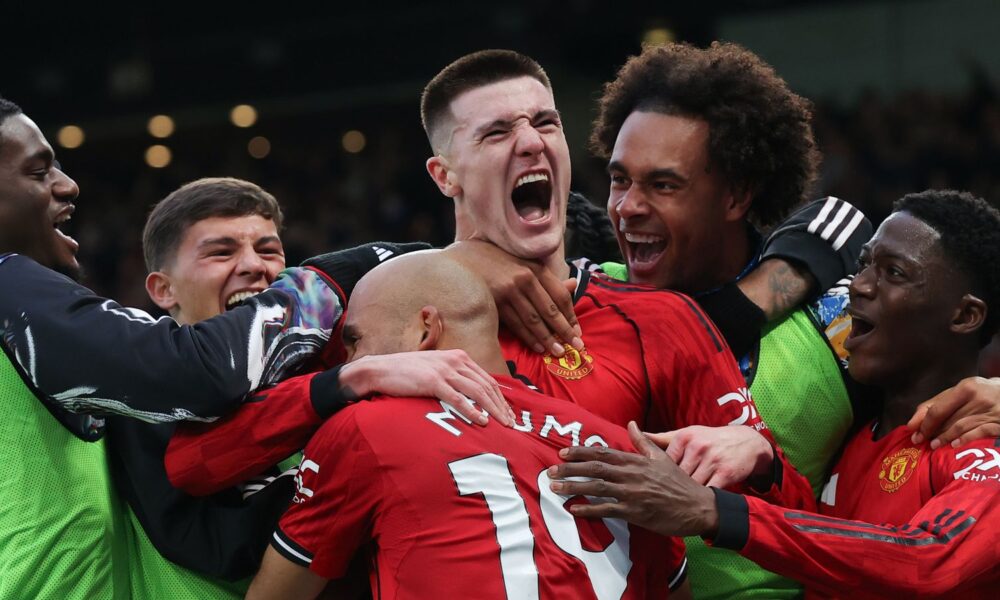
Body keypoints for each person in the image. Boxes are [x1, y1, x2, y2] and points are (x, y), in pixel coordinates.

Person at [168, 50, 817, 513]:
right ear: (444, 176)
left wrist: (757, 458)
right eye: (498, 132)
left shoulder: (656, 316)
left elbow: (792, 508)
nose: (530, 142)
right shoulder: (381, 313)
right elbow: (194, 465)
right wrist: (351, 380)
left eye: (545, 123)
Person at [0, 97, 508, 598]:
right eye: (39, 171)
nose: (256, 267)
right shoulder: (17, 289)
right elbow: (191, 377)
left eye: (270, 250)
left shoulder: (316, 366)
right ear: (162, 290)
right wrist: (338, 292)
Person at [550, 190, 1000, 598]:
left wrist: (715, 511)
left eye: (895, 273)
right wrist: (765, 464)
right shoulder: (862, 437)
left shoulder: (979, 446)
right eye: (864, 265)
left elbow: (926, 560)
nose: (860, 285)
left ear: (964, 316)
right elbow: (825, 542)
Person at [247, 251, 693, 599]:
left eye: (355, 342)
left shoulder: (365, 426)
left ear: (425, 330)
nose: (351, 363)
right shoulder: (621, 447)